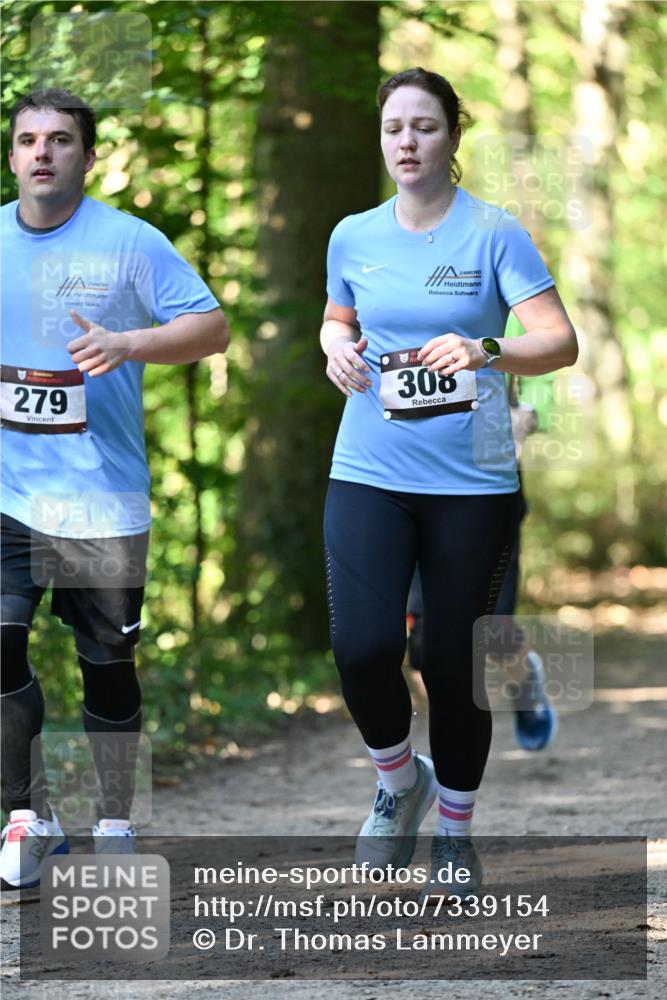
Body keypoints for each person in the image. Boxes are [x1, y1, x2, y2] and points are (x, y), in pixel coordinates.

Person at [320, 68, 577, 900]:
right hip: (368, 468)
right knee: (362, 650)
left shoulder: (493, 234)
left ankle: (457, 839)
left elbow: (558, 341)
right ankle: (399, 781)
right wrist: (334, 345)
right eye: (393, 126)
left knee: (450, 658)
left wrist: (486, 350)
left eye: (424, 126)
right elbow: (339, 316)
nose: (406, 141)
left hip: (471, 482)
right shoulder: (352, 234)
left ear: (452, 137)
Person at [0, 89, 229, 889]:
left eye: (60, 140)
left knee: (106, 660)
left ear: (87, 158)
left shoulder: (130, 244)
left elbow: (211, 327)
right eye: (28, 139)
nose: (42, 153)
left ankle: (115, 818)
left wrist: (131, 340)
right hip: (8, 492)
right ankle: (27, 815)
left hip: (102, 498)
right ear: (12, 155)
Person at [406, 358, 558, 752]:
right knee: (421, 639)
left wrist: (526, 415)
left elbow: (546, 366)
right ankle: (451, 742)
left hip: (489, 485)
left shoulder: (497, 301)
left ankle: (524, 688)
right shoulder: (386, 307)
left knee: (493, 631)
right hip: (411, 484)